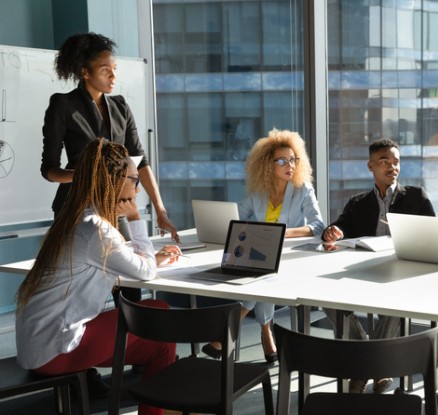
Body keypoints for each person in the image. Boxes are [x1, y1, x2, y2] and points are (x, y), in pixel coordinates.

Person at [15, 139, 180, 415]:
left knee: (158, 326)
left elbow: (105, 262)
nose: (138, 188)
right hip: (56, 351)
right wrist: (137, 219)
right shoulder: (98, 230)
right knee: (160, 318)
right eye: (134, 180)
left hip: (37, 346)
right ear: (114, 181)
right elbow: (146, 272)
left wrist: (148, 257)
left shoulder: (79, 220)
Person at [321, 138, 435, 394]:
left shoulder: (416, 197)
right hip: (363, 273)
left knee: (398, 300)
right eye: (384, 162)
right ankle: (377, 366)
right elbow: (340, 227)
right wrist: (333, 231)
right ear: (371, 166)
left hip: (402, 274)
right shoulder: (357, 202)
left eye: (396, 162)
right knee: (326, 301)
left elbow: (434, 236)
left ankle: (363, 368)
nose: (392, 167)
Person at [201, 128, 325, 363]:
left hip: (290, 257)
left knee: (261, 278)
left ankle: (228, 333)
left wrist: (283, 234)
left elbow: (318, 225)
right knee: (261, 276)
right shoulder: (259, 193)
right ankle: (266, 332)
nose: (289, 165)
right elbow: (236, 216)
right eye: (282, 160)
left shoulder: (302, 190)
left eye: (292, 159)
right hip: (261, 254)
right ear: (268, 164)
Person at [40, 32, 179, 242]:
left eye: (114, 70)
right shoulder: (63, 105)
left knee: (133, 263)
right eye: (106, 71)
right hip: (75, 209)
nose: (113, 77)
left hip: (115, 204)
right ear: (85, 72)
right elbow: (49, 170)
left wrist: (160, 210)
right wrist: (87, 176)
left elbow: (140, 160)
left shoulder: (120, 106)